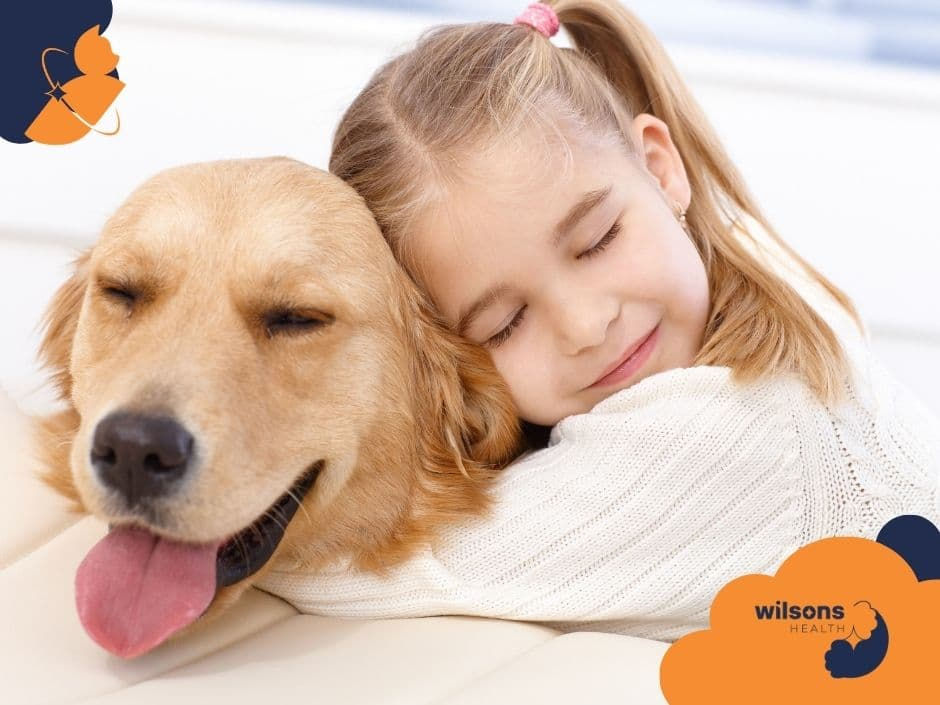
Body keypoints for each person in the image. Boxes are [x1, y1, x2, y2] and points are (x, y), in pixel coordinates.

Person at [255, 1, 940, 642]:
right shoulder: (753, 276)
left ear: (662, 168)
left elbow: (406, 564)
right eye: (506, 323)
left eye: (598, 241)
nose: (585, 325)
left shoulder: (733, 431)